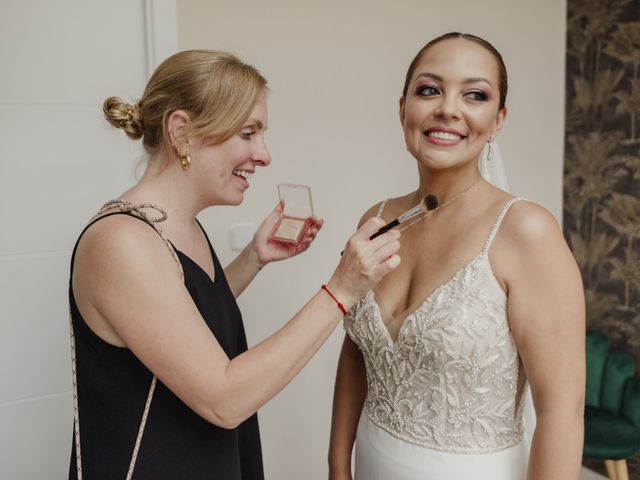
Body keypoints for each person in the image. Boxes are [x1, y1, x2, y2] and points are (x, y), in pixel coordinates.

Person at [68, 49, 401, 479]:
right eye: (248, 133)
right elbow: (223, 399)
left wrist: (253, 259)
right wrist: (341, 290)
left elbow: (177, 320)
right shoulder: (121, 242)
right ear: (182, 132)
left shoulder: (174, 226)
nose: (263, 155)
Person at [328, 33, 585, 480]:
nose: (447, 108)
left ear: (498, 119)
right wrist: (337, 466)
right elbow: (356, 353)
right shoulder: (379, 218)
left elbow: (561, 410)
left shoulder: (526, 231)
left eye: (475, 95)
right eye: (429, 90)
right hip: (371, 462)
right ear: (403, 108)